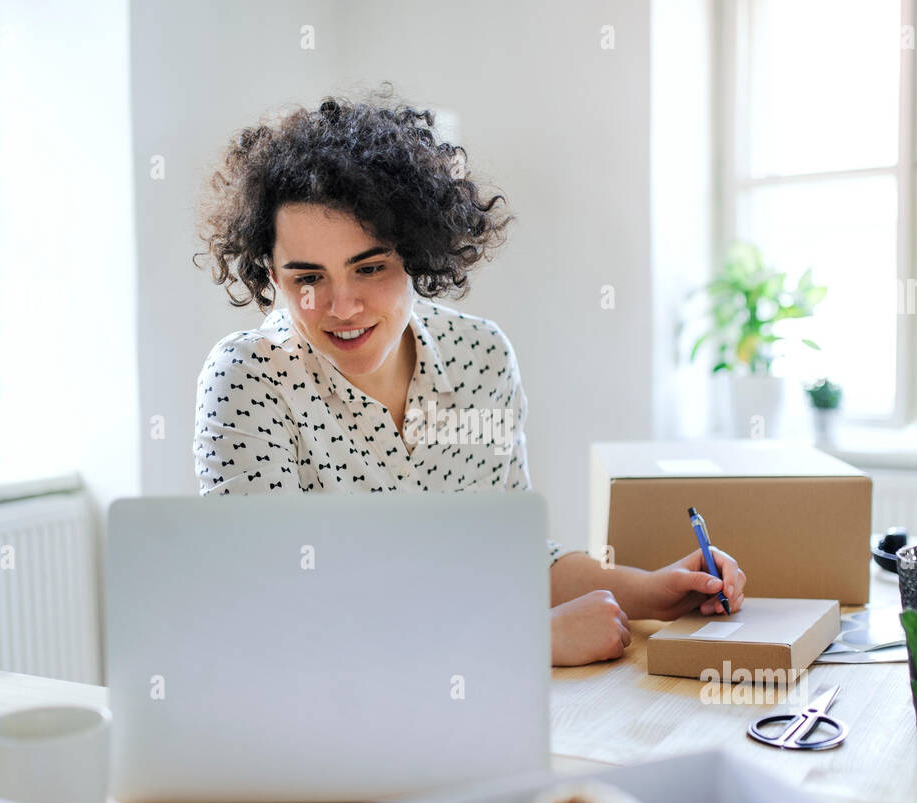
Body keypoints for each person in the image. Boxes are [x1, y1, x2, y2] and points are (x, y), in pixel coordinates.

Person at [192, 86, 746, 667]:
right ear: (271, 275)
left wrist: (652, 591)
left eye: (371, 267)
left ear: (420, 253)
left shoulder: (479, 355)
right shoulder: (248, 378)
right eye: (308, 277)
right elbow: (271, 618)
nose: (343, 306)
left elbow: (511, 557)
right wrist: (529, 640)